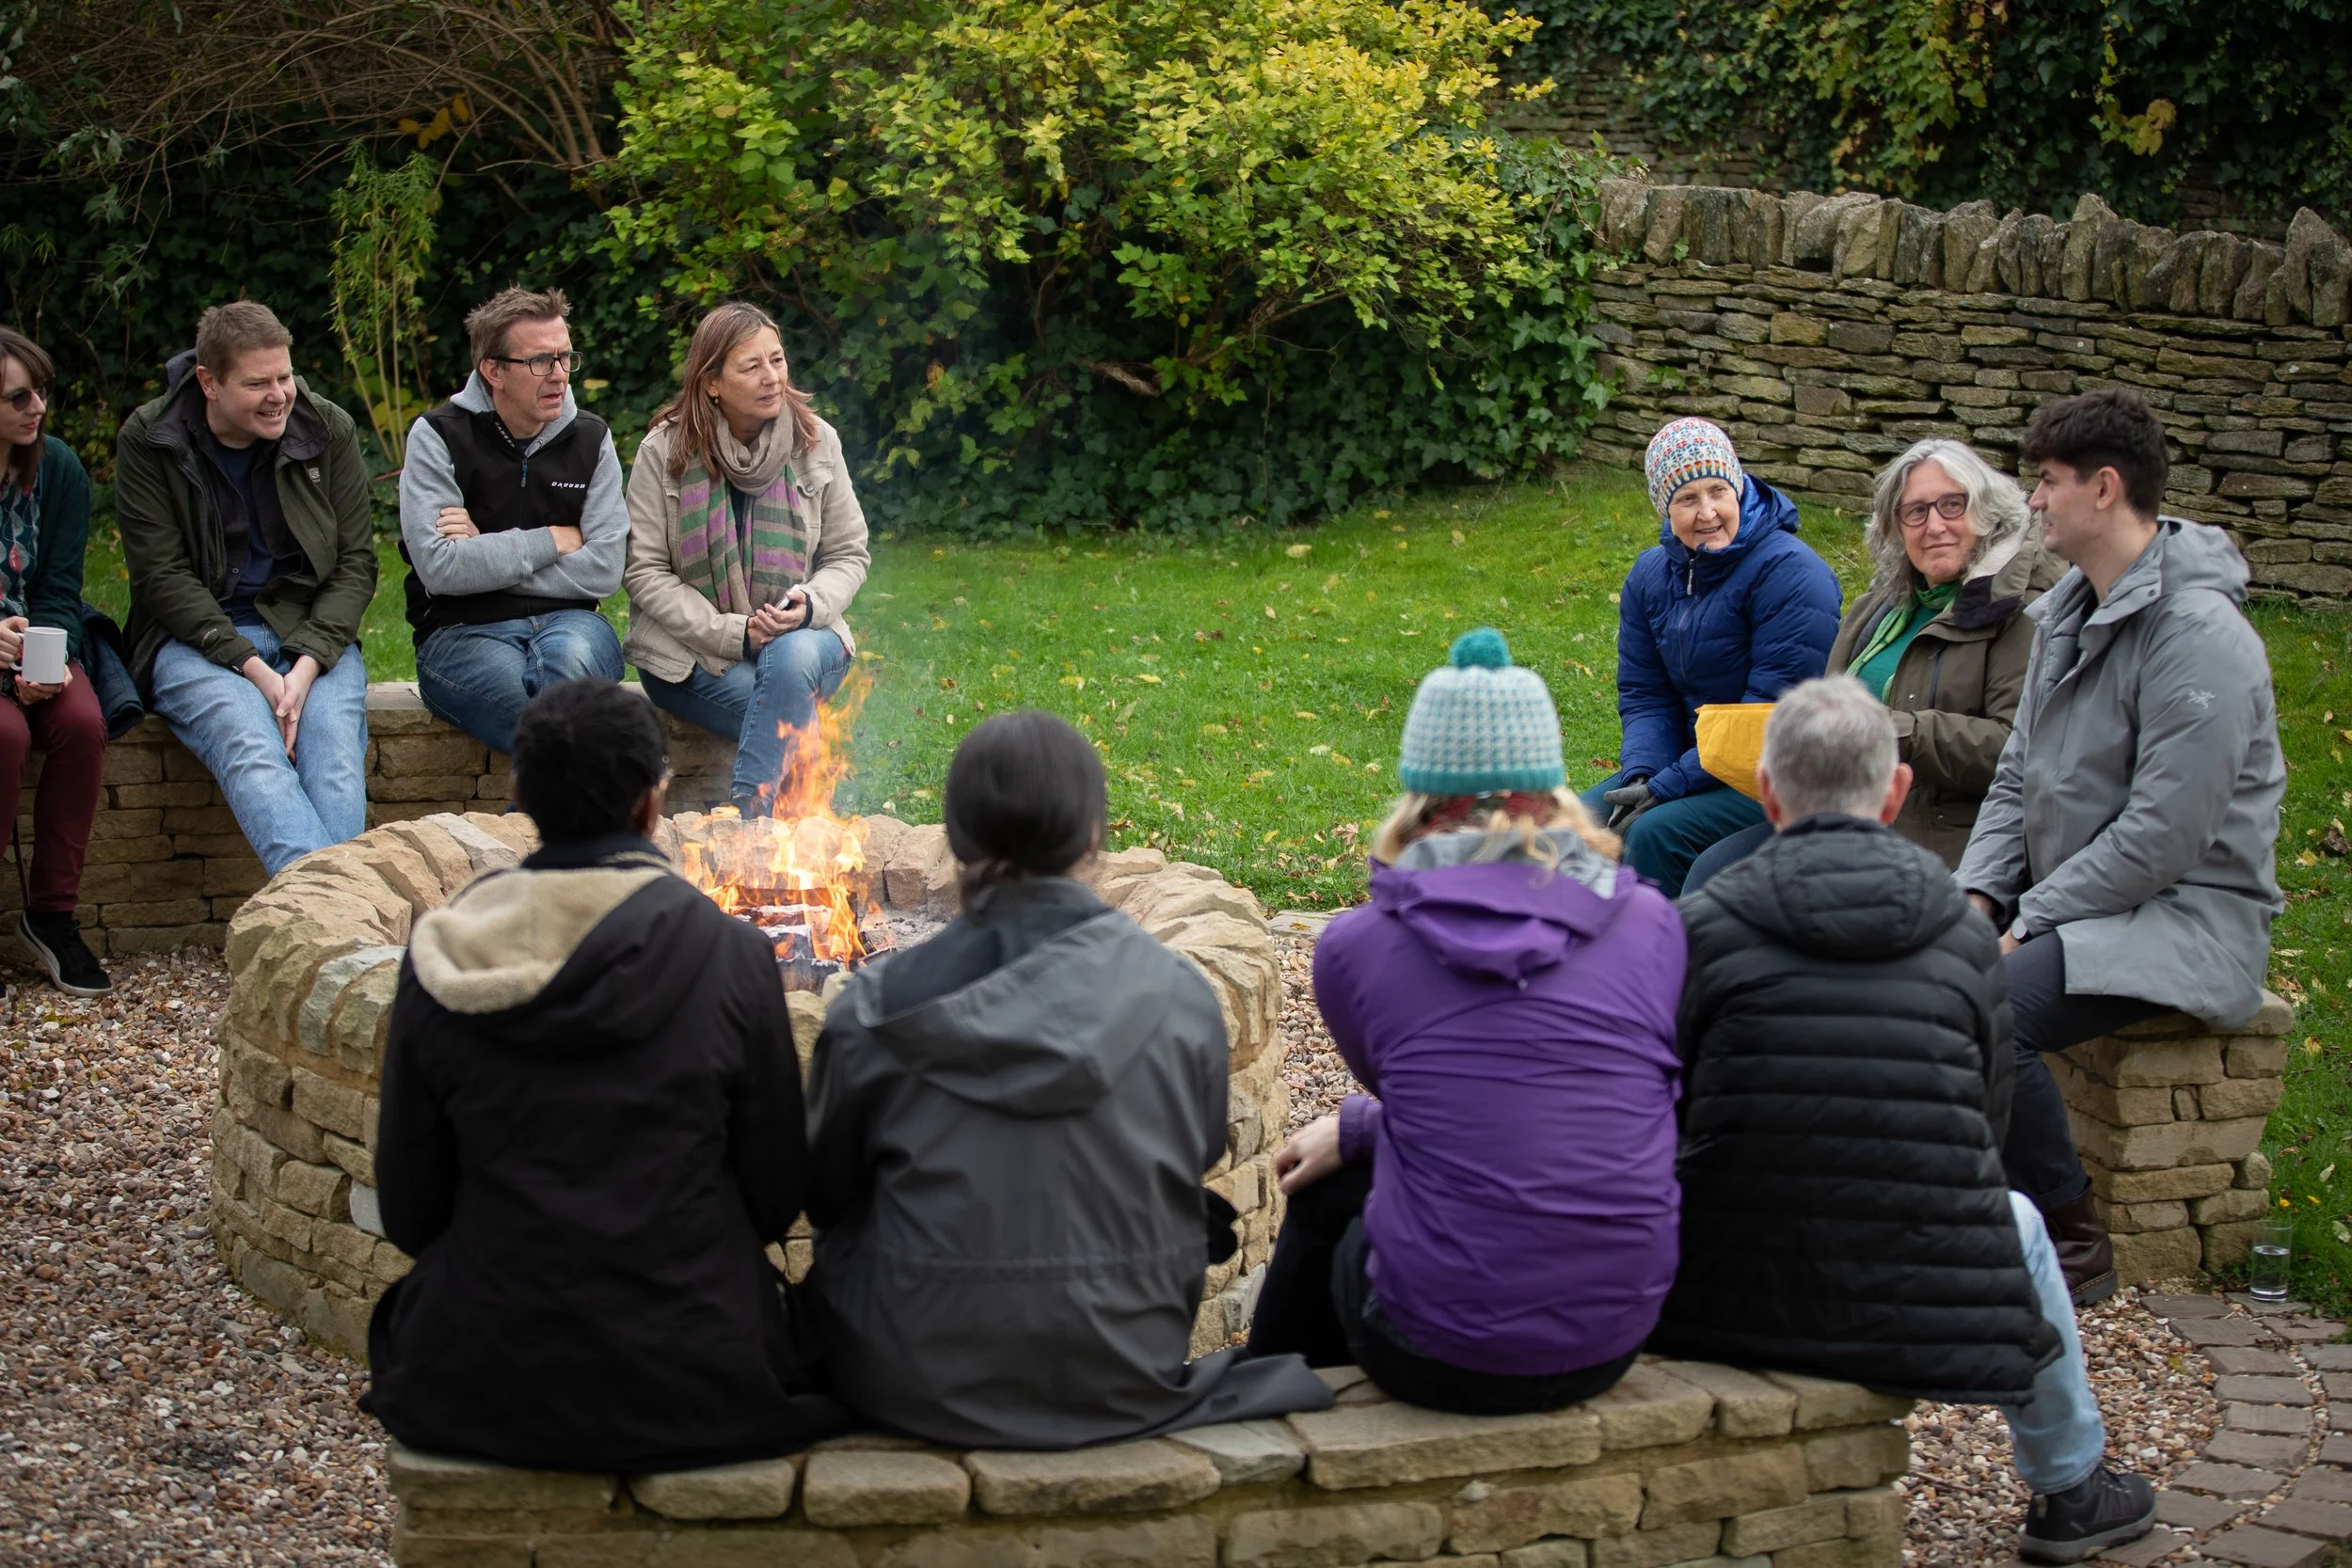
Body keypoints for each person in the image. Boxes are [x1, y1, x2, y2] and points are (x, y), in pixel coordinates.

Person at [1658, 675, 2156, 1567]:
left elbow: (1668, 1104)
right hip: (1925, 1299)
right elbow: (1984, 1118)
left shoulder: (1696, 926)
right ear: (1893, 794)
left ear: (1768, 794)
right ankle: (2070, 1486)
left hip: (1721, 1285)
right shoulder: (1965, 939)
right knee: (2024, 1223)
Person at [803, 709, 1331, 1447]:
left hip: (911, 1372)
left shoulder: (872, 1009)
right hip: (1120, 1363)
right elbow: (1197, 1153)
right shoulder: (1181, 996)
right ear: (1094, 838)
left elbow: (828, 1196)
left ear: (955, 843)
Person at [365, 678, 848, 1471]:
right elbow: (771, 1198)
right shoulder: (729, 956)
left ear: (521, 793)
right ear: (651, 803)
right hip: (693, 1363)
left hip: (484, 1366)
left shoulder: (442, 956)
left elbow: (413, 1213)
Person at [1247, 630, 1686, 1414]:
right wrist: (1362, 1126)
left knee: (1330, 1196)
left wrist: (1355, 1129)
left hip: (1439, 1353)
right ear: (1551, 789)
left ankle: (1263, 1414)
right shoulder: (1651, 921)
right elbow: (1489, 1097)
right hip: (1613, 1338)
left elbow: (1434, 1100)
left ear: (1419, 793)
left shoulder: (1354, 946)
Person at [1957, 387, 2285, 1307]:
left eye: (2049, 481)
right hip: (2084, 903)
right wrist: (1979, 899)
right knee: (1934, 971)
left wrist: (2029, 923)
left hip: (2185, 916)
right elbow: (2017, 772)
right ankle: (1978, 1205)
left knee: (1988, 1006)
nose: (2034, 500)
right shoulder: (2065, 609)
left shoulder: (2201, 637)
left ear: (2104, 488)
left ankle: (2070, 1238)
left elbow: (2162, 836)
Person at [1681, 437, 2063, 893]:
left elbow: (2014, 746)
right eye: (1915, 512)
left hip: (1940, 831)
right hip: (1843, 811)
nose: (1934, 525)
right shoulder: (1879, 608)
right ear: (1895, 527)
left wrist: (1888, 731)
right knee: (1713, 872)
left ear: (1987, 514)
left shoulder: (2017, 612)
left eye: (1952, 505)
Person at [115, 301, 376, 878]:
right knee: (252, 748)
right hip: (195, 638)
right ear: (208, 382)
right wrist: (252, 667)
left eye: (284, 376)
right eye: (257, 383)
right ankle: (347, 927)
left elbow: (355, 562)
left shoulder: (326, 426)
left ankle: (331, 931)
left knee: (333, 751)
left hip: (310, 633)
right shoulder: (151, 438)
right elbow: (161, 576)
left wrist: (307, 665)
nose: (279, 394)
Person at [1580, 418, 1841, 896]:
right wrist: (1643, 773)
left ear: (1738, 488)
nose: (1708, 512)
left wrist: (1666, 788)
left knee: (1655, 834)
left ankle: (1662, 960)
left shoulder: (1792, 573)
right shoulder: (1651, 575)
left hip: (1774, 770)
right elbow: (1645, 694)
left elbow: (1767, 717)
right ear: (1665, 507)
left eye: (1718, 491)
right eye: (1687, 499)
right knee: (1577, 825)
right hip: (1688, 762)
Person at [625, 302, 867, 816]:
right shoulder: (663, 452)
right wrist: (734, 634)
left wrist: (808, 604)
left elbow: (847, 553)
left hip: (802, 635)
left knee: (790, 657)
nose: (772, 378)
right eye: (751, 366)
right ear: (712, 381)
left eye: (777, 361)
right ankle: (788, 834)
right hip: (692, 652)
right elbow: (644, 572)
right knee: (793, 721)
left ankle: (746, 820)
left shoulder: (816, 441)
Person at [399, 287, 626, 755]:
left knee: (566, 692)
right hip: (462, 631)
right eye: (541, 361)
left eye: (566, 358)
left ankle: (519, 828)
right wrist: (554, 539)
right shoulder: (439, 435)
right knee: (553, 728)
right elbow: (442, 570)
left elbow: (604, 569)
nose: (560, 376)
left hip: (573, 623)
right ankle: (582, 823)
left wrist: (486, 553)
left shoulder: (592, 438)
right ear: (493, 370)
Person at [0, 329, 110, 995]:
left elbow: (61, 588)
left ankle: (53, 915)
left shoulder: (58, 469)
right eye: (18, 395)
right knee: (4, 737)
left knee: (82, 724)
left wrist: (51, 654)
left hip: (32, 644)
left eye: (41, 391)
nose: (36, 406)